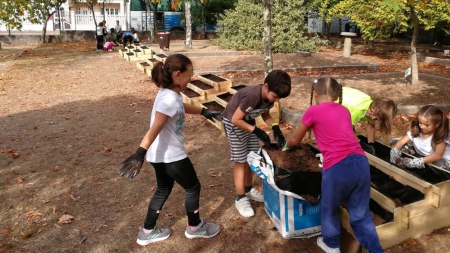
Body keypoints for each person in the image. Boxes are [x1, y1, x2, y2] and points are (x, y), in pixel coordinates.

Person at [118, 54, 221, 246]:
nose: (191, 78)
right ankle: (195, 227)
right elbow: (156, 127)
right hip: (171, 156)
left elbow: (180, 107)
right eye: (190, 74)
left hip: (158, 156)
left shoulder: (168, 94)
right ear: (178, 74)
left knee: (163, 189)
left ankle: (147, 231)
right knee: (193, 187)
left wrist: (204, 111)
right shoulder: (169, 100)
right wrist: (139, 153)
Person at [283, 78, 384, 253]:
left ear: (315, 93)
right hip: (360, 163)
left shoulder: (313, 111)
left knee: (329, 208)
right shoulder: (344, 110)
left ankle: (331, 245)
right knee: (361, 215)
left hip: (337, 167)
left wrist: (286, 147)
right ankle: (376, 250)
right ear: (337, 95)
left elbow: (295, 139)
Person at [222, 70, 291, 217]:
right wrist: (257, 131)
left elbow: (264, 114)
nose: (277, 100)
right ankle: (240, 197)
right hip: (234, 124)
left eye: (279, 98)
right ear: (266, 86)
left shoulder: (269, 98)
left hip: (247, 123)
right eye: (275, 96)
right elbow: (235, 119)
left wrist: (275, 127)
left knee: (252, 157)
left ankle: (248, 189)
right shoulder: (252, 96)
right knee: (241, 160)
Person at [390, 105, 450, 170]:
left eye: (426, 125)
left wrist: (415, 162)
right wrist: (395, 151)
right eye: (420, 123)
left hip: (438, 160)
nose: (422, 127)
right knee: (400, 146)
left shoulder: (441, 136)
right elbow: (401, 141)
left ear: (437, 124)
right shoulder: (416, 130)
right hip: (420, 156)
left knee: (438, 167)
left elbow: (438, 155)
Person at [340, 86, 397, 154]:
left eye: (376, 119)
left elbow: (371, 126)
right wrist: (361, 144)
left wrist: (371, 145)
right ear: (375, 106)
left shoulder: (373, 108)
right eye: (372, 113)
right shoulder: (359, 110)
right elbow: (348, 131)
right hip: (331, 101)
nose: (372, 118)